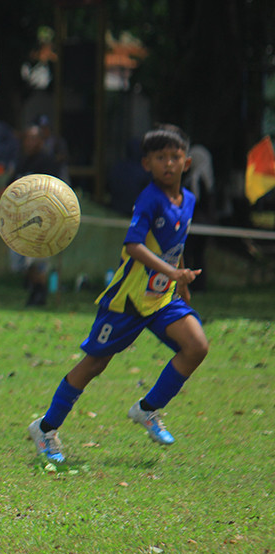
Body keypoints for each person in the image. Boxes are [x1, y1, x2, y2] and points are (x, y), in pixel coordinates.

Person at [27, 124, 209, 463]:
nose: (168, 163)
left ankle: (148, 409)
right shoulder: (149, 199)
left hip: (162, 297)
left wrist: (179, 281)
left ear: (186, 161)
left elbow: (174, 243)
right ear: (147, 164)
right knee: (95, 363)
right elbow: (134, 245)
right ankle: (46, 428)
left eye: (175, 156)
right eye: (160, 158)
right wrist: (173, 272)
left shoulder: (188, 200)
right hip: (127, 299)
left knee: (197, 346)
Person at [0, 123, 66, 306]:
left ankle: (39, 294)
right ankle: (35, 289)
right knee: (19, 263)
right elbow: (8, 188)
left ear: (41, 140)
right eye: (27, 138)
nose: (29, 142)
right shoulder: (23, 161)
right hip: (21, 220)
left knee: (37, 259)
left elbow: (55, 190)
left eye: (34, 138)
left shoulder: (48, 162)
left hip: (42, 220)